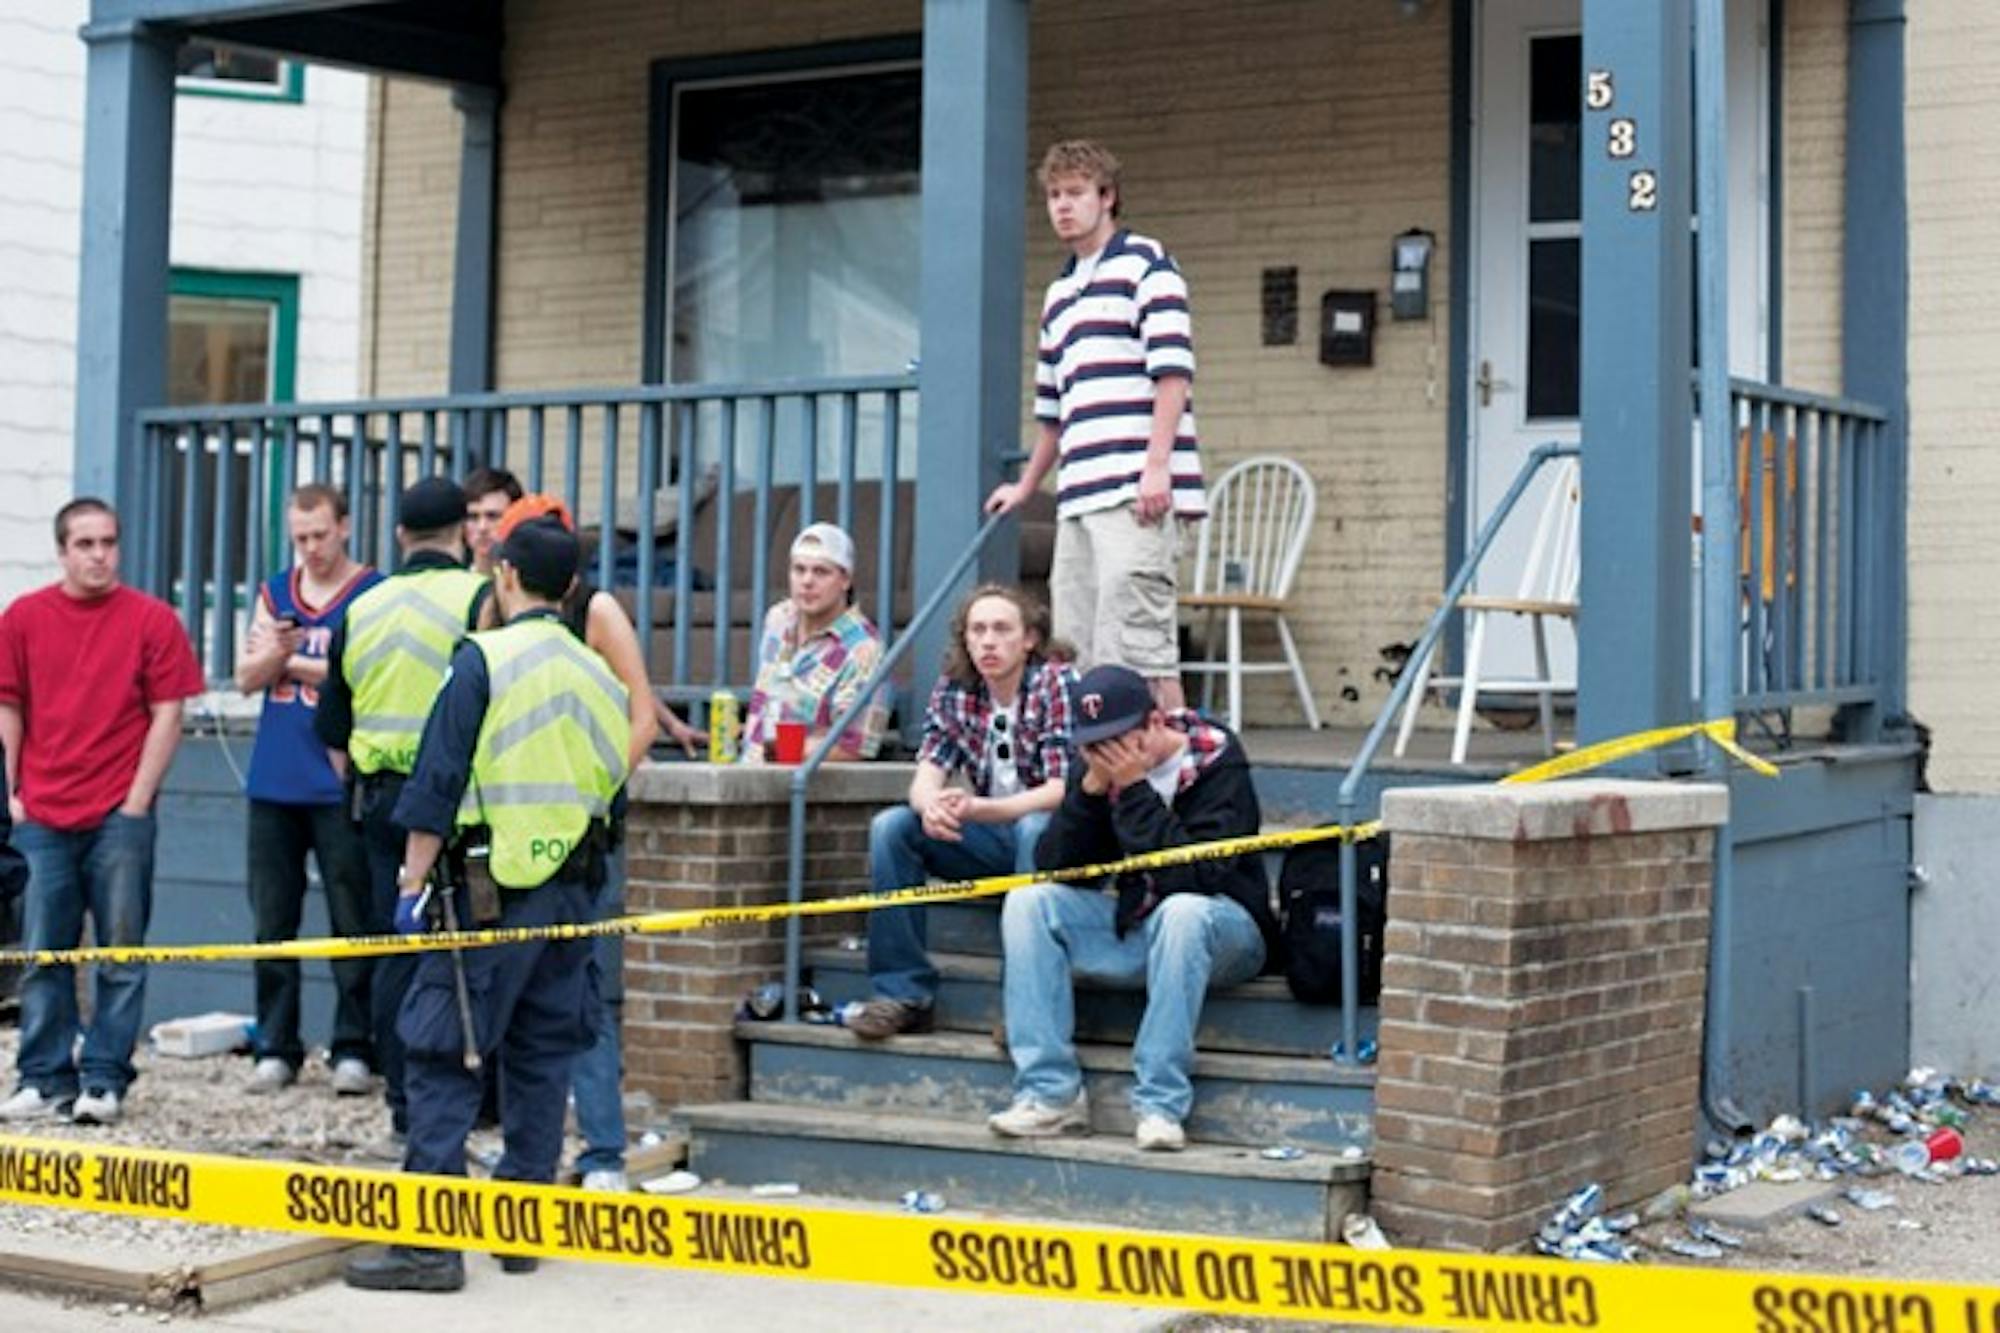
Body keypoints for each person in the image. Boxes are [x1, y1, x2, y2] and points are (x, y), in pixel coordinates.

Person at [344, 515, 627, 1293]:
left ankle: (429, 1247)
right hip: (571, 895)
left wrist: (410, 883)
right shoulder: (599, 673)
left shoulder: (482, 660)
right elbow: (611, 790)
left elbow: (435, 784)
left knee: (442, 1053)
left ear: (504, 575)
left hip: (487, 895)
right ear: (571, 586)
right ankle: (520, 1228)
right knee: (542, 1056)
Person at [988, 664, 1275, 1153]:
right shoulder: (1095, 767)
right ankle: (1050, 1095)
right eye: (1095, 742)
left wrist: (1137, 789)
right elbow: (1057, 868)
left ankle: (1160, 1104)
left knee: (1182, 911)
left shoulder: (1216, 761)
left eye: (1120, 739)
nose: (1108, 753)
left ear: (1156, 722)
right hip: (1138, 926)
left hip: (1227, 929)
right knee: (1029, 902)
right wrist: (1090, 794)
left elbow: (1197, 879)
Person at [0, 499, 205, 1125]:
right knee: (43, 952)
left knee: (121, 952)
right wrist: (10, 793)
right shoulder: (24, 618)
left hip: (120, 813)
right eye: (85, 544)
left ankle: (104, 1078)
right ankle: (41, 1076)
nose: (99, 555)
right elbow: (8, 706)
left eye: (108, 542)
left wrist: (137, 800)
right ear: (62, 550)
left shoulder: (151, 619)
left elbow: (170, 711)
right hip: (39, 813)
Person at [985, 139, 1207, 711]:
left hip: (1137, 494)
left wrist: (1156, 469)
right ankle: (1104, 789)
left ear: (1107, 197)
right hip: (1078, 500)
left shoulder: (1147, 266)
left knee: (1139, 650)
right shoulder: (1059, 295)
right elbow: (1054, 412)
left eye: (1077, 193)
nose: (1063, 206)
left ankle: (1183, 778)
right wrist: (1027, 486)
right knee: (1079, 653)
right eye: (1055, 195)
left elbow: (1174, 376)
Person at [484, 495, 660, 1190]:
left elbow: (639, 715)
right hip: (503, 840)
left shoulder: (597, 612)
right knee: (504, 995)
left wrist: (591, 792)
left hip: (577, 834)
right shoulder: (492, 609)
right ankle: (517, 1151)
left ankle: (602, 1151)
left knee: (580, 993)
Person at [316, 477, 490, 1149]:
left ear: (398, 536)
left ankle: (402, 1105)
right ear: (463, 533)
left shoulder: (363, 606)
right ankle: (459, 1105)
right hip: (464, 807)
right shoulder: (479, 598)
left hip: (381, 800)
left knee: (398, 953)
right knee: (470, 954)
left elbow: (333, 725)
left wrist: (364, 787)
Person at [847, 584, 1076, 1040]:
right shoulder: (956, 689)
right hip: (994, 840)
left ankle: (1028, 1005)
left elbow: (1059, 790)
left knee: (1034, 826)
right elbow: (926, 773)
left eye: (1001, 629)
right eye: (978, 630)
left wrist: (982, 810)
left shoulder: (1056, 682)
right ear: (965, 640)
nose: (988, 641)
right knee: (893, 827)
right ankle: (903, 994)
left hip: (1063, 845)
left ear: (1029, 638)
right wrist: (930, 805)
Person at [234, 483, 384, 1097]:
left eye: (321, 534)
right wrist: (281, 658)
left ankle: (354, 1044)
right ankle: (277, 1044)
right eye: (301, 538)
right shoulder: (275, 590)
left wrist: (288, 658)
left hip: (338, 781)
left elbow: (363, 673)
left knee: (353, 918)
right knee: (273, 919)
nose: (312, 548)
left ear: (344, 527)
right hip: (275, 779)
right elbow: (245, 676)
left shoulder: (373, 592)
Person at [740, 522, 887, 762]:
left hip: (804, 788)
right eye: (799, 570)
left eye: (821, 572)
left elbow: (855, 746)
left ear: (845, 580)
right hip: (747, 773)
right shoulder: (778, 619)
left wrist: (784, 751)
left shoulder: (864, 648)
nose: (807, 581)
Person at [463, 466, 523, 577]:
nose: (482, 527)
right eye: (473, 517)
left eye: (493, 516)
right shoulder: (454, 584)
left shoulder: (532, 587)